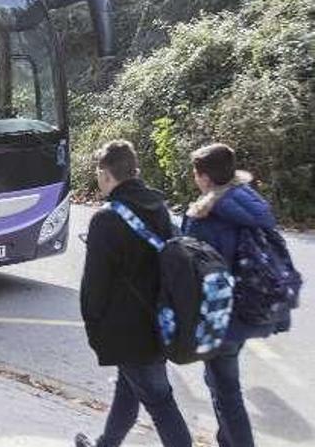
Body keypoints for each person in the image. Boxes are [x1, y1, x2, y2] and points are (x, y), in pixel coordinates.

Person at [76, 140, 192, 447]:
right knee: (128, 392)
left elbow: (94, 287)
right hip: (162, 321)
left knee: (160, 402)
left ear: (105, 175)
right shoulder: (159, 207)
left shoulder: (106, 218)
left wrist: (94, 328)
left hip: (128, 330)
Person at [184, 143, 285, 447]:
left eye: (196, 172)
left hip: (221, 314)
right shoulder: (250, 202)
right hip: (252, 305)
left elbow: (190, 269)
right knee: (221, 381)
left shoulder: (204, 215)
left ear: (203, 177)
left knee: (226, 390)